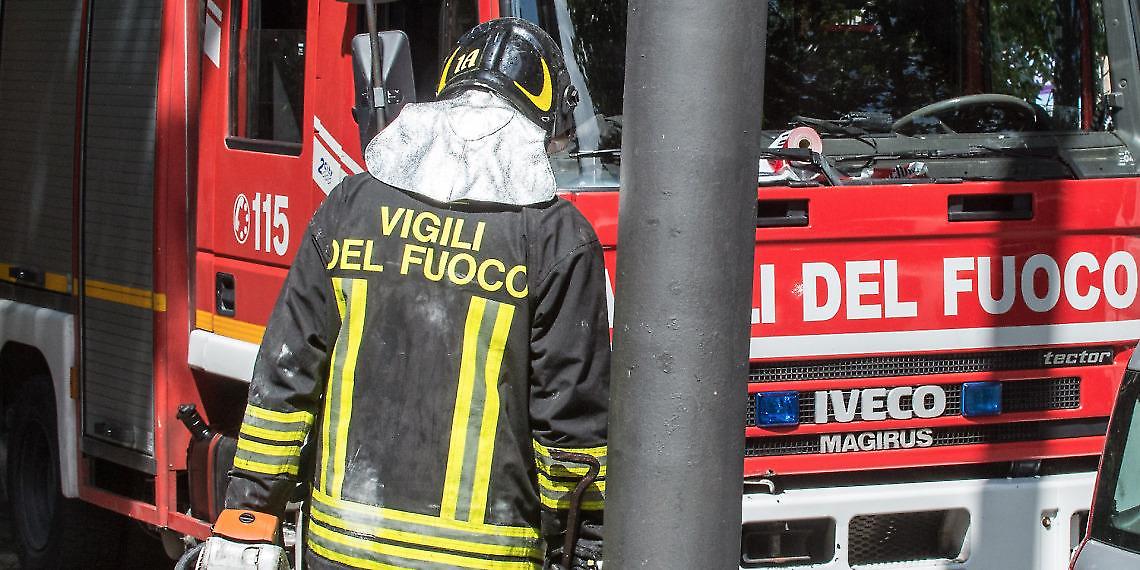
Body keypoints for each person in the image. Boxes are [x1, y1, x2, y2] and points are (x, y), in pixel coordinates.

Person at [198, 17, 609, 570]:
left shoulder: (350, 207)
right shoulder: (556, 239)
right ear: (541, 126)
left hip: (342, 552)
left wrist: (247, 518)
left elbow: (285, 378)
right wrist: (585, 549)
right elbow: (570, 430)